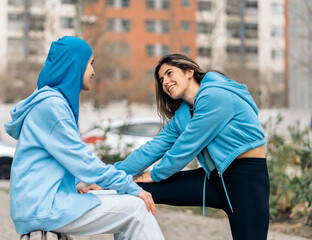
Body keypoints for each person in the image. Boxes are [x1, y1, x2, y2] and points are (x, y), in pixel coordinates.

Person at [83, 54, 270, 240]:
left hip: (247, 180)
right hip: (212, 180)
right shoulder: (184, 116)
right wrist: (108, 180)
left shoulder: (216, 94)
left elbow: (188, 145)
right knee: (134, 191)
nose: (165, 82)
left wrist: (157, 173)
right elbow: (152, 148)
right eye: (162, 79)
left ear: (189, 72)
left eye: (170, 73)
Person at [5, 36, 164, 240]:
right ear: (75, 64)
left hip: (41, 202)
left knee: (123, 201)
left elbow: (64, 162)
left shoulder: (50, 102)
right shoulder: (52, 106)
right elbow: (82, 161)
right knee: (137, 208)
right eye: (90, 64)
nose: (93, 71)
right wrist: (130, 186)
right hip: (45, 207)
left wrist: (79, 185)